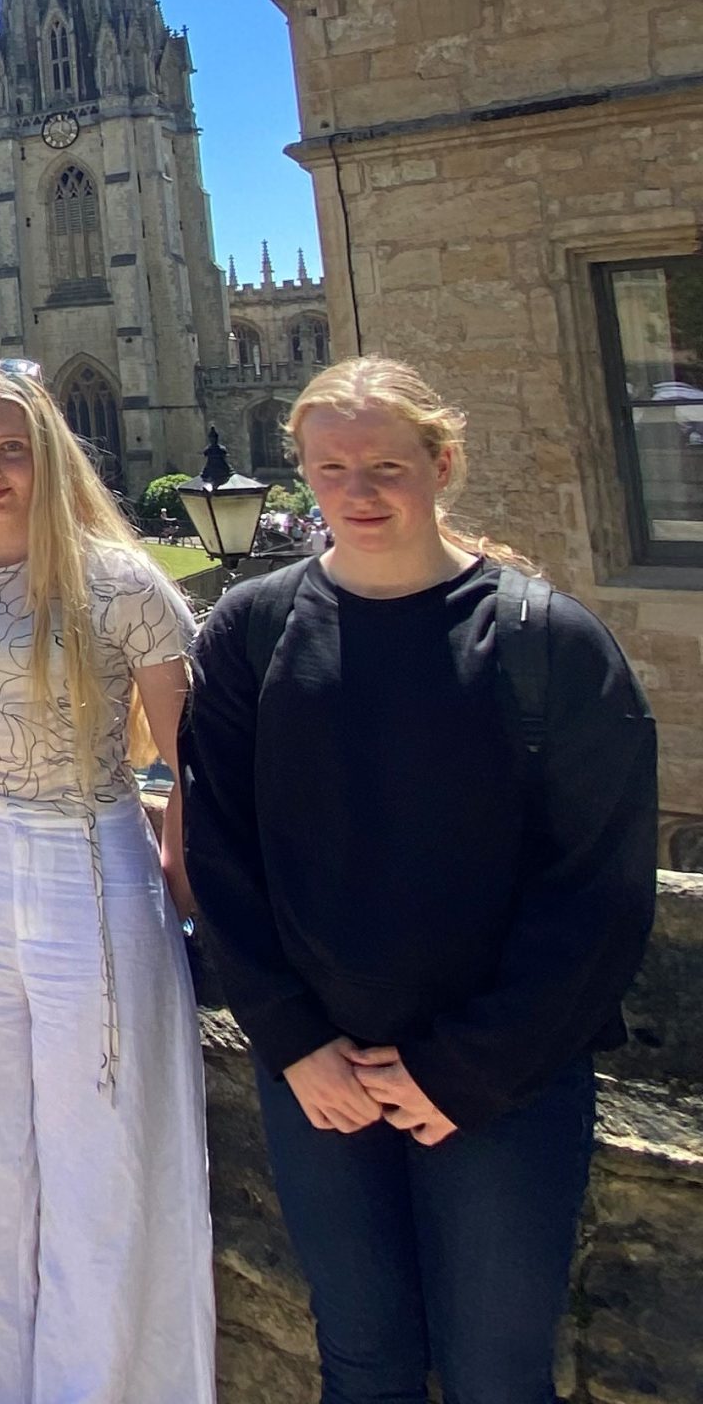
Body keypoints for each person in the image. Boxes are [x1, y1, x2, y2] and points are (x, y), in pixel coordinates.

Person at [183, 357, 656, 1404]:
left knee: (496, 1372)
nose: (358, 490)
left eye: (387, 464)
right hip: (318, 1077)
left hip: (500, 1084)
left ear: (441, 463)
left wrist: (466, 1069)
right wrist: (296, 1044)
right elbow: (217, 856)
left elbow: (601, 888)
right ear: (300, 474)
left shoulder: (548, 642)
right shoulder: (249, 636)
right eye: (330, 467)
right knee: (361, 1359)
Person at [0, 362, 215, 1403]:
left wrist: (177, 872)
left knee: (102, 1164)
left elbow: (190, 757)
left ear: (48, 457)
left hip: (89, 859)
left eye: (10, 450)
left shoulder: (121, 584)